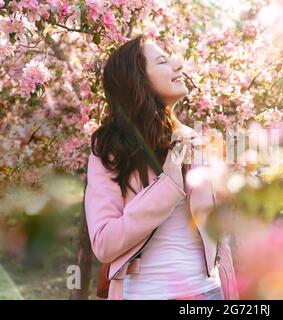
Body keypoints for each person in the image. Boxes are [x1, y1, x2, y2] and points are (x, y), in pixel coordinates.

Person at [84, 35, 239, 300]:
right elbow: (103, 243)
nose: (178, 66)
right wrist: (167, 187)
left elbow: (216, 235)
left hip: (209, 293)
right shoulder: (110, 149)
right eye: (163, 62)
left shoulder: (192, 138)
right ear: (139, 80)